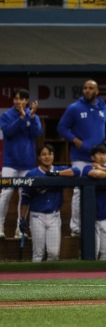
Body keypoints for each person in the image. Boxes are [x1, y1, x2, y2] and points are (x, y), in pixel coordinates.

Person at [57, 79, 106, 237]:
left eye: (90, 88)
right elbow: (62, 127)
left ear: (97, 91)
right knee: (78, 191)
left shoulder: (104, 108)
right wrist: (76, 141)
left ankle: (103, 222)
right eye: (85, 88)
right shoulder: (74, 108)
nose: (87, 91)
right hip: (81, 156)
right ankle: (76, 227)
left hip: (100, 158)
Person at [19, 144, 81, 262]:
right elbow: (25, 198)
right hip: (37, 216)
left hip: (54, 216)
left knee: (53, 253)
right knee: (38, 254)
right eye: (43, 154)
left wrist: (56, 174)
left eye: (50, 154)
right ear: (39, 157)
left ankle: (51, 280)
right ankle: (34, 280)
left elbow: (77, 171)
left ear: (53, 156)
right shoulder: (31, 174)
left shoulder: (59, 170)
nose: (47, 157)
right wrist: (22, 218)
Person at [0, 89, 42, 239]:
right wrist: (22, 119)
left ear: (27, 101)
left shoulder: (33, 116)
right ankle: (0, 227)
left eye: (22, 99)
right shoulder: (6, 116)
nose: (19, 102)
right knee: (5, 194)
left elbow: (37, 133)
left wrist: (31, 116)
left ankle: (21, 229)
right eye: (16, 99)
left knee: (24, 196)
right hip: (9, 164)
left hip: (28, 164)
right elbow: (9, 131)